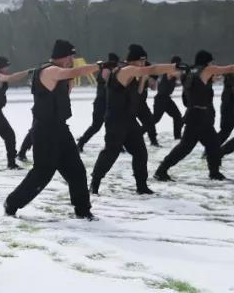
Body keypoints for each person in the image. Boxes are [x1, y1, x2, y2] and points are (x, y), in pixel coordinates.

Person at [4, 39, 100, 219]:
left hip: (61, 129)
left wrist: (69, 83)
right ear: (63, 57)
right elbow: (72, 71)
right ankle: (12, 203)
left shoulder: (62, 75)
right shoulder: (50, 70)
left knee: (77, 171)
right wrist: (99, 66)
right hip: (45, 131)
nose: (73, 59)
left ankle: (83, 210)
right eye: (71, 56)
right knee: (43, 174)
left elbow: (63, 96)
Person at [89, 44, 179, 196]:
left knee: (141, 153)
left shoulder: (133, 73)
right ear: (132, 61)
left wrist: (143, 80)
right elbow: (150, 70)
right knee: (111, 153)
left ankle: (141, 186)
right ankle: (95, 183)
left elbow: (137, 93)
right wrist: (173, 67)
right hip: (115, 121)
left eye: (144, 61)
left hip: (129, 120)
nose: (143, 64)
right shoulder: (125, 70)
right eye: (141, 61)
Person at [154, 51, 234, 182]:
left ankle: (214, 173)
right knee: (186, 147)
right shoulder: (206, 70)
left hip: (195, 114)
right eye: (211, 62)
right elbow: (231, 69)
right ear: (207, 62)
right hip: (198, 115)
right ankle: (161, 171)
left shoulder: (189, 72)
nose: (212, 64)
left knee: (212, 144)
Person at [76, 52, 118, 151]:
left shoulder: (107, 70)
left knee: (113, 126)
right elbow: (109, 84)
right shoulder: (106, 71)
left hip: (107, 103)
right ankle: (81, 143)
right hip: (101, 103)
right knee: (96, 126)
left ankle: (117, 145)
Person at [151, 55, 184, 141]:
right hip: (161, 99)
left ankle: (177, 137)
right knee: (155, 119)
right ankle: (139, 132)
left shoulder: (173, 72)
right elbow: (176, 74)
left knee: (177, 116)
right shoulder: (170, 70)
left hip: (166, 99)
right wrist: (185, 71)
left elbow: (173, 82)